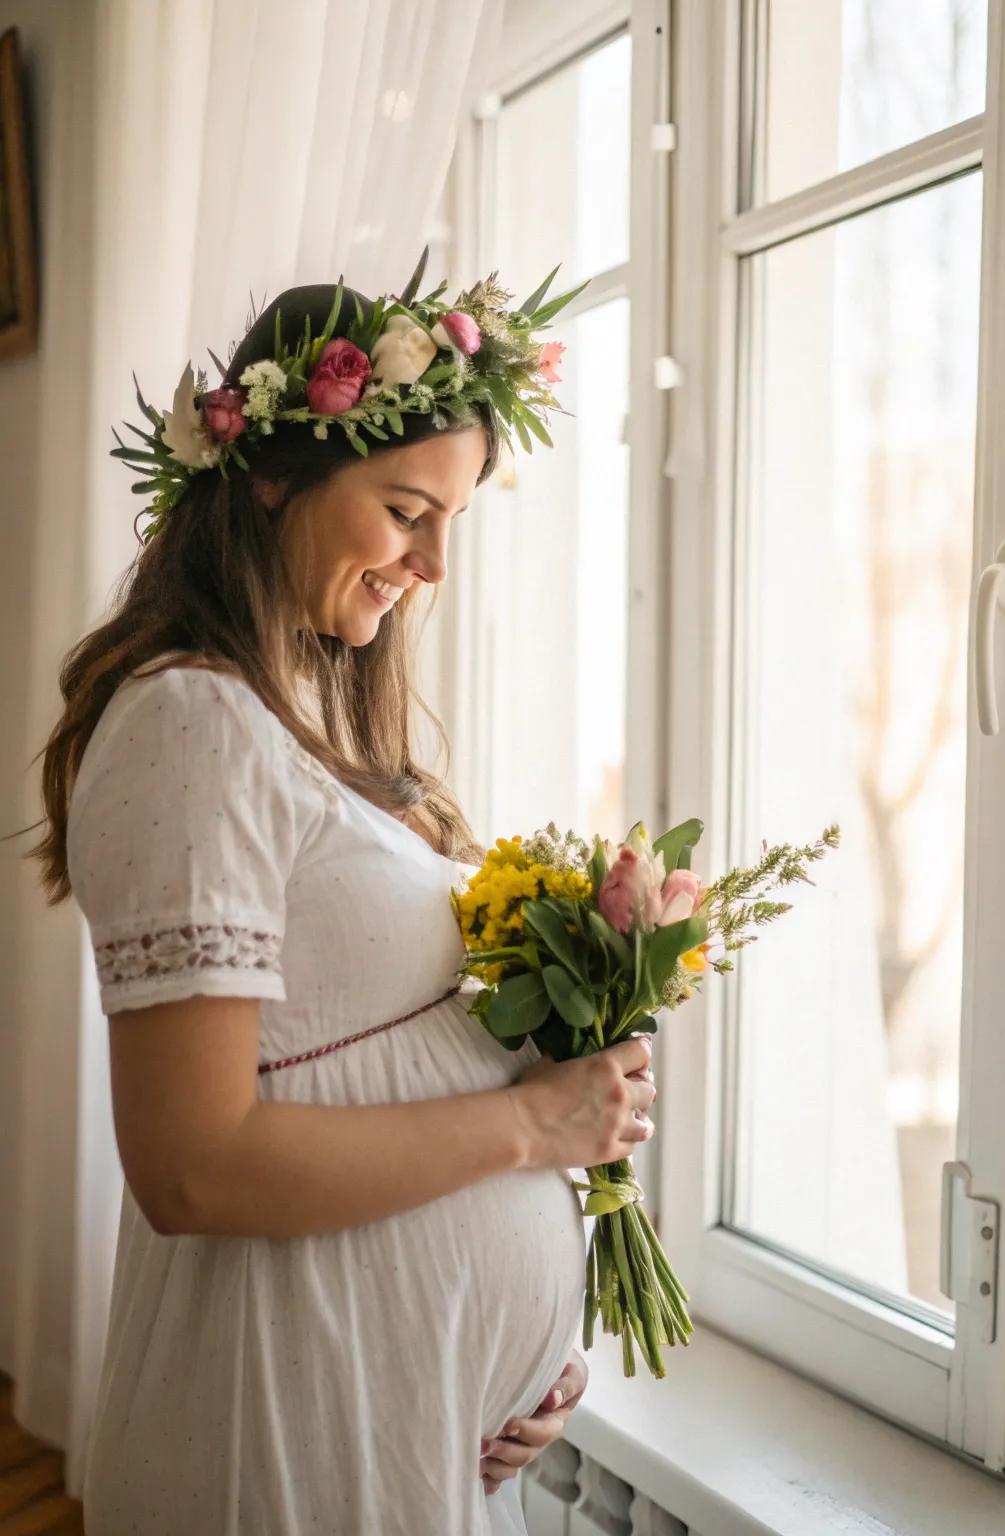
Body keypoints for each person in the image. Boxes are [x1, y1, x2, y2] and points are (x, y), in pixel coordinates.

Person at [24, 253, 657, 1535]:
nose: (428, 564)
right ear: (271, 471)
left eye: (451, 526)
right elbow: (192, 1167)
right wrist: (535, 1132)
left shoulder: (300, 713)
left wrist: (523, 1350)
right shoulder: (190, 723)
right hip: (285, 1410)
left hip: (394, 1404)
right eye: (404, 510)